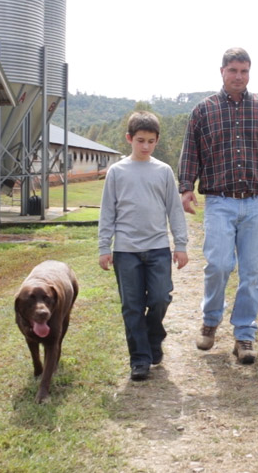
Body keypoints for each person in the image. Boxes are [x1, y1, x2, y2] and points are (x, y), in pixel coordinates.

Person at [178, 47, 258, 364]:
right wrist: (186, 189)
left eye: (244, 70)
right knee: (218, 265)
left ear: (250, 72)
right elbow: (190, 154)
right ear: (222, 72)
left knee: (253, 271)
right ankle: (210, 321)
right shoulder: (203, 111)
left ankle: (245, 334)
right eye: (233, 70)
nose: (239, 76)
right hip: (219, 202)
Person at [99, 111, 189, 381]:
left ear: (157, 141)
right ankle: (139, 359)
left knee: (161, 297)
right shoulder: (117, 172)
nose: (145, 146)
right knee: (132, 305)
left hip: (158, 247)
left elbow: (174, 210)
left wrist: (180, 244)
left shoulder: (163, 171)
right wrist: (104, 246)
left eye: (151, 141)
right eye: (140, 140)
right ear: (129, 139)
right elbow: (107, 212)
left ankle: (153, 335)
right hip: (126, 250)